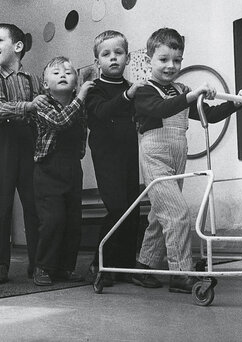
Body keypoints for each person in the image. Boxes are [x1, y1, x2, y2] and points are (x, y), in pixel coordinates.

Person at [133, 28, 242, 293]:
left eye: (177, 60)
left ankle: (144, 265)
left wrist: (236, 103)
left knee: (160, 214)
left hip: (178, 154)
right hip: (154, 155)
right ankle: (180, 273)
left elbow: (207, 116)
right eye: (163, 59)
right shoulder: (143, 90)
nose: (171, 66)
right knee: (177, 214)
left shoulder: (180, 89)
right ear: (148, 60)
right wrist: (192, 94)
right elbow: (162, 108)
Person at [0, 23, 50, 284]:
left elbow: (45, 111)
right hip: (3, 142)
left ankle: (39, 264)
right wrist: (31, 106)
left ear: (18, 47)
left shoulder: (35, 80)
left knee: (34, 206)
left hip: (29, 142)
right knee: (1, 206)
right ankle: (1, 265)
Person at [85, 30, 146, 286]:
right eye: (106, 54)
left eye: (118, 53)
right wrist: (128, 96)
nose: (113, 58)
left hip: (129, 152)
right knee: (117, 207)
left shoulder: (131, 88)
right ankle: (99, 263)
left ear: (128, 57)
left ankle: (125, 265)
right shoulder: (93, 88)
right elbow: (101, 112)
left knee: (132, 209)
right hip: (106, 154)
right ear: (97, 61)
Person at [31, 56, 94, 286]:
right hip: (48, 169)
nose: (63, 75)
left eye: (68, 72)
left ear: (76, 80)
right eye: (56, 73)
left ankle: (66, 268)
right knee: (52, 220)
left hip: (71, 168)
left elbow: (81, 131)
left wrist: (79, 154)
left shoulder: (80, 105)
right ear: (45, 84)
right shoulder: (43, 104)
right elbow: (59, 122)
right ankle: (43, 267)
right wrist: (80, 97)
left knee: (72, 221)